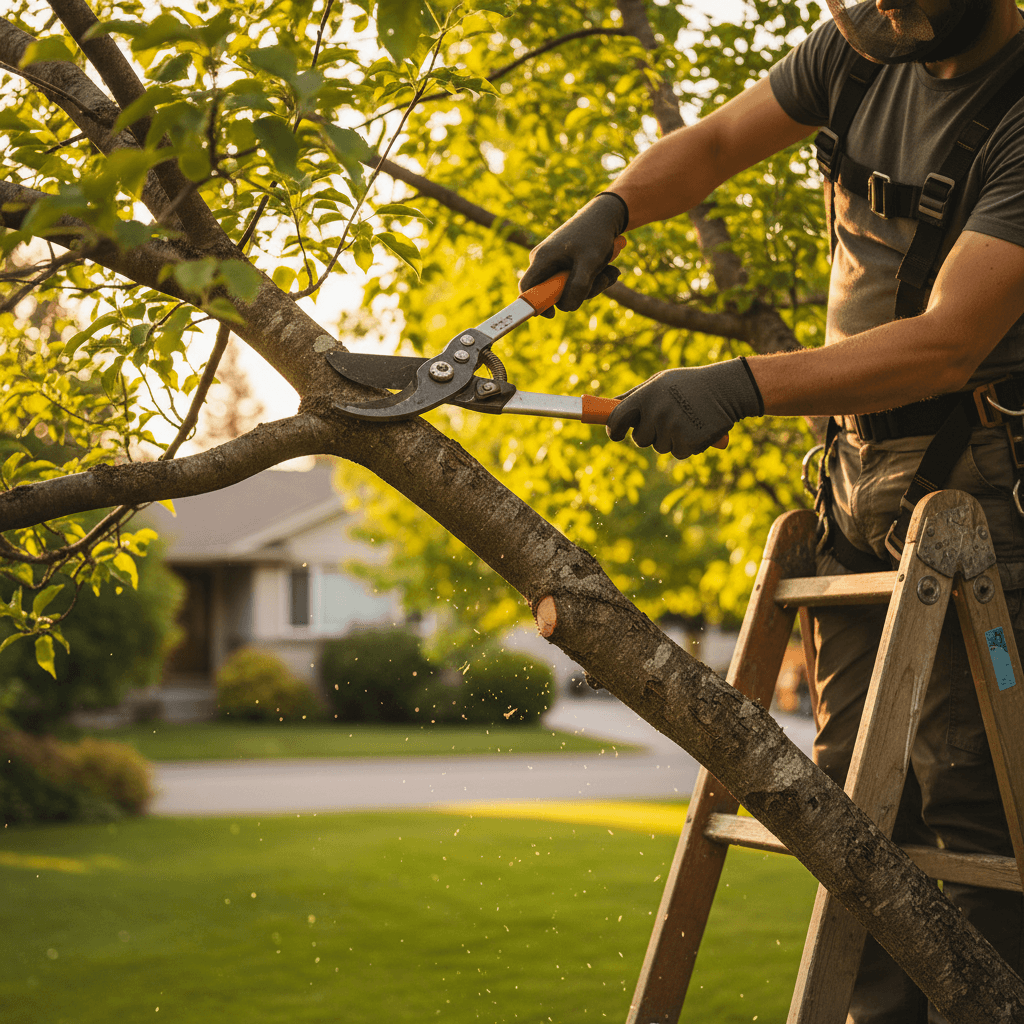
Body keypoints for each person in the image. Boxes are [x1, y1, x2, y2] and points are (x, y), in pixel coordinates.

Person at [518, 1, 1024, 1021]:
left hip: (980, 495)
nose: (880, 6)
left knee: (977, 816)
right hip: (851, 479)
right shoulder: (861, 46)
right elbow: (710, 144)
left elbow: (948, 342)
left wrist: (740, 382)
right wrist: (612, 206)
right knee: (852, 809)